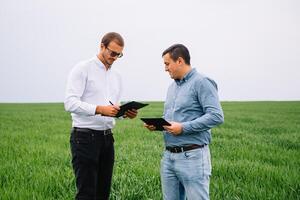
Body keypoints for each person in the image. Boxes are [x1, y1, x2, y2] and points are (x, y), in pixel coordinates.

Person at [144, 44, 224, 200]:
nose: (165, 69)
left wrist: (183, 128)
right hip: (168, 157)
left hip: (192, 157)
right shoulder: (171, 88)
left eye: (167, 64)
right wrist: (158, 126)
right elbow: (172, 121)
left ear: (179, 61)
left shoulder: (202, 82)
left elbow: (216, 115)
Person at [64, 32, 137, 200]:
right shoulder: (82, 68)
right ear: (102, 46)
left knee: (103, 193)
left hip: (107, 139)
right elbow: (70, 103)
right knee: (87, 194)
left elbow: (112, 109)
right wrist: (98, 109)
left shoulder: (116, 76)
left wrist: (124, 114)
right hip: (84, 138)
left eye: (119, 54)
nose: (115, 57)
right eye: (113, 53)